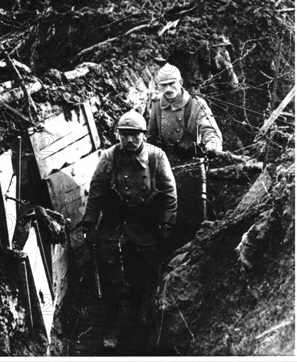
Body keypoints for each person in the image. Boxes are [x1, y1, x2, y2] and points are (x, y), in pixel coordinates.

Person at [82, 109, 177, 351]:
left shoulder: (157, 157)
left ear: (144, 135)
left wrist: (166, 224)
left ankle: (140, 312)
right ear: (118, 135)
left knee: (145, 269)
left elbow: (169, 194)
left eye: (135, 135)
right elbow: (96, 192)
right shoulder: (109, 157)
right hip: (115, 222)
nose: (130, 140)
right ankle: (113, 323)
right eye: (124, 135)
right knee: (108, 267)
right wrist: (90, 224)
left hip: (145, 222)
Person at [147, 63, 223, 250]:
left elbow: (210, 130)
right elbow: (151, 136)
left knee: (195, 212)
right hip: (166, 165)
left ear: (180, 82)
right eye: (163, 85)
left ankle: (198, 248)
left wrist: (212, 145)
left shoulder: (196, 104)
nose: (168, 89)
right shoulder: (157, 105)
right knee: (164, 209)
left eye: (172, 84)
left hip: (191, 166)